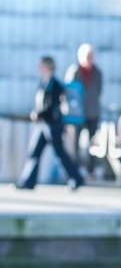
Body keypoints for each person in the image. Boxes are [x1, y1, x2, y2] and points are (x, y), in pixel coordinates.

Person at [15, 56, 85, 191]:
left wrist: (39, 114)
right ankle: (28, 181)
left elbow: (52, 106)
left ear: (48, 66)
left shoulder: (55, 84)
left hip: (53, 125)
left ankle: (76, 178)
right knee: (34, 152)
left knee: (59, 153)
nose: (39, 68)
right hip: (43, 125)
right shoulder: (44, 83)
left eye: (42, 66)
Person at [65, 43, 103, 178]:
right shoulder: (74, 71)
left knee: (92, 143)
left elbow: (98, 91)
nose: (89, 59)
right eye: (87, 57)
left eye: (91, 56)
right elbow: (68, 92)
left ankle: (91, 169)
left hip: (92, 112)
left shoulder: (97, 73)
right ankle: (74, 171)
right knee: (74, 144)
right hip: (77, 113)